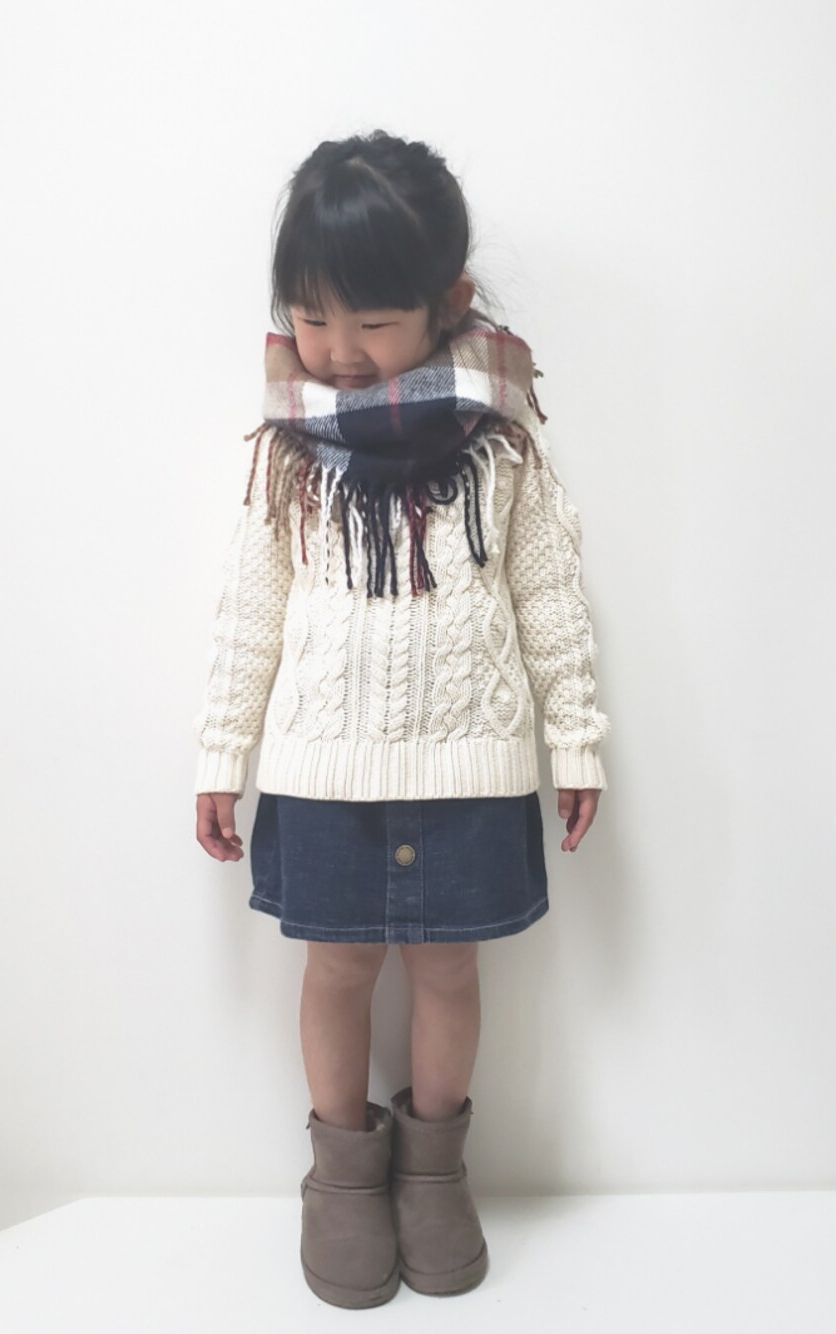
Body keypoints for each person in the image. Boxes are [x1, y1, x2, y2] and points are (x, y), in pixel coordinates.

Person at [192, 130, 611, 1309]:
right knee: (334, 969)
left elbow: (549, 593)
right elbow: (250, 610)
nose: (336, 347)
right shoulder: (288, 446)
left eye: (371, 320)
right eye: (310, 316)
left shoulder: (502, 438)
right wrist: (221, 751)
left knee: (446, 968)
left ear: (447, 302)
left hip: (468, 764)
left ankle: (433, 1169)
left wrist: (575, 738)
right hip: (323, 769)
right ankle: (340, 1178)